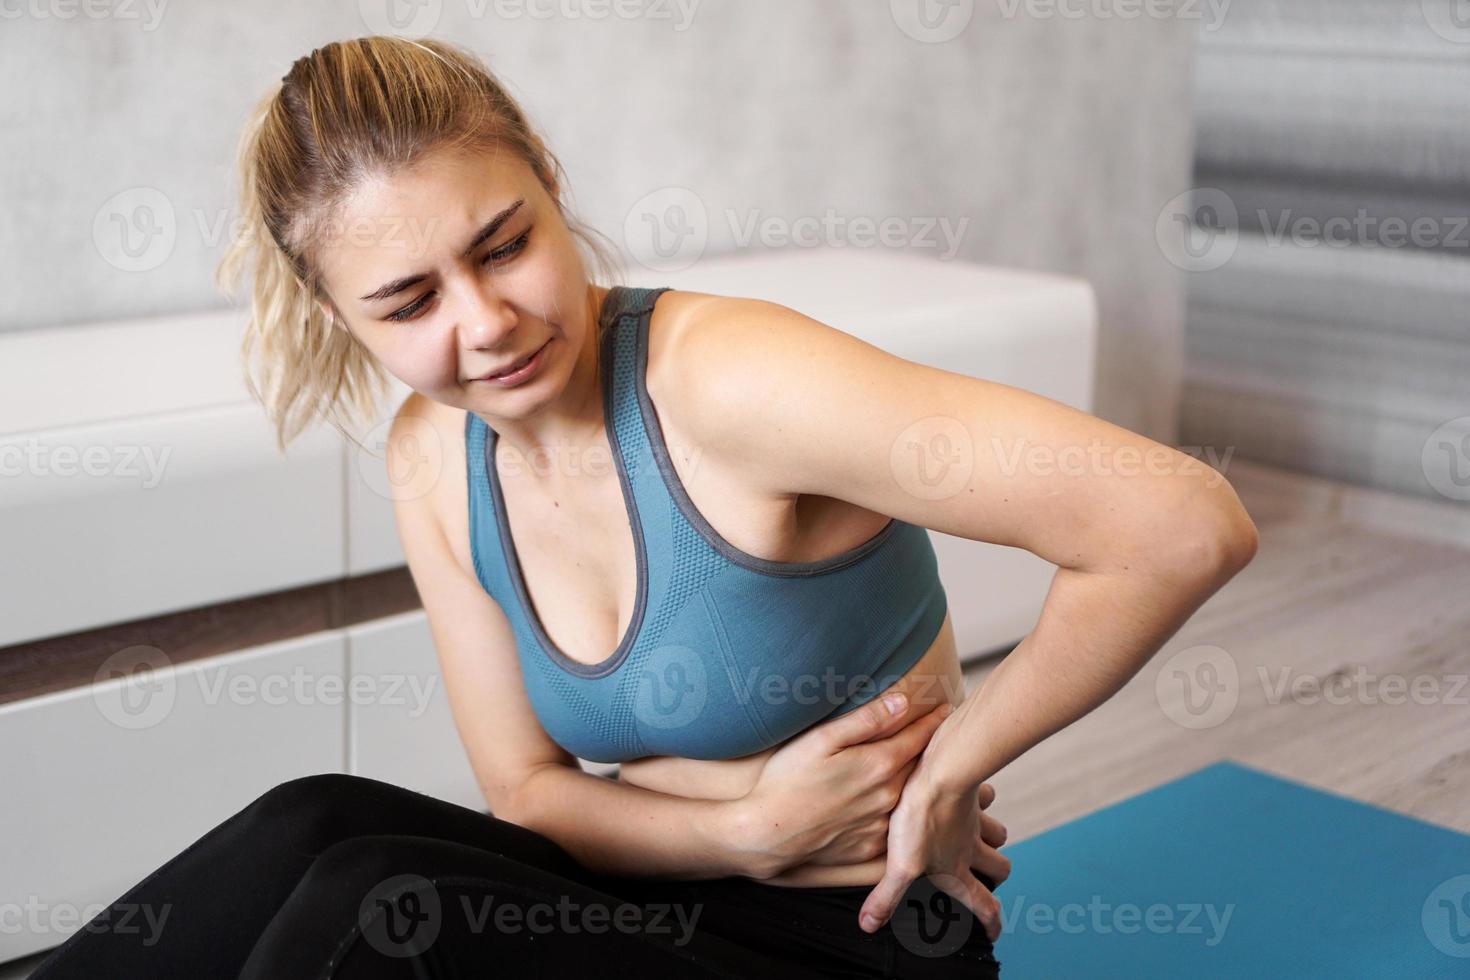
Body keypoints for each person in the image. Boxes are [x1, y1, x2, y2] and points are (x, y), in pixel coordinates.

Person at [30, 34, 1257, 979]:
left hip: (865, 936)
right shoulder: (429, 456)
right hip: (672, 891)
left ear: (550, 187)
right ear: (341, 316)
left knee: (366, 916)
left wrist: (949, 775)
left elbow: (1180, 522)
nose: (485, 322)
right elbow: (526, 791)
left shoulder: (729, 382)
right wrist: (748, 823)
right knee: (313, 826)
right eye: (409, 303)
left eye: (503, 243)